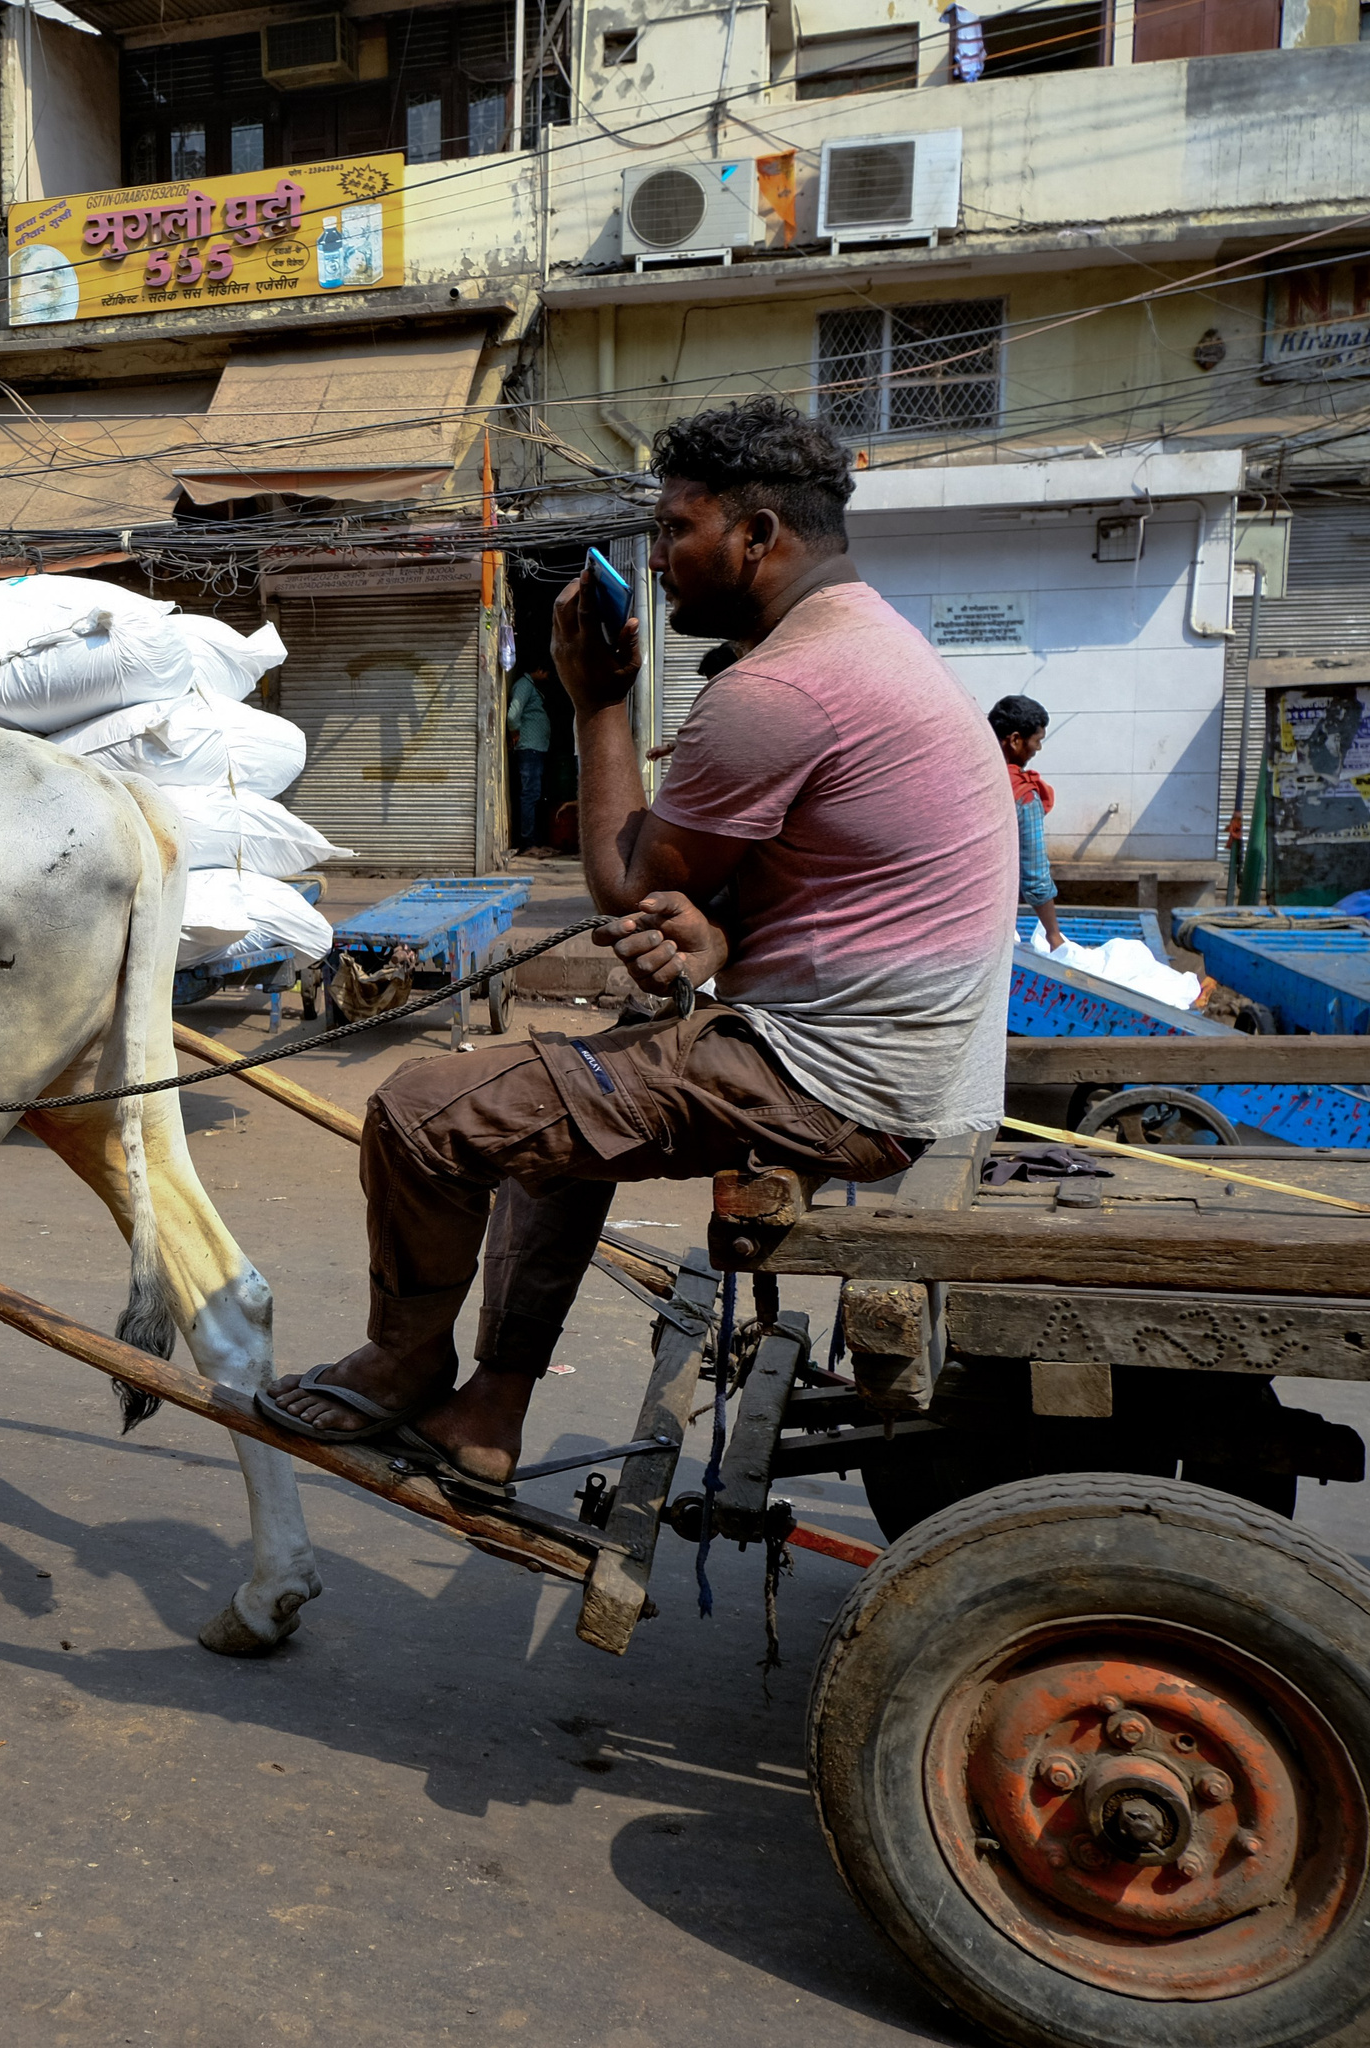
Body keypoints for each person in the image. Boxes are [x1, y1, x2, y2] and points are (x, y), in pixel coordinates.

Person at [256, 396, 1017, 1484]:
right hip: (892, 1058)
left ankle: (403, 1361)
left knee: (420, 1115)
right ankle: (490, 1408)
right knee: (552, 1107)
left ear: (756, 535)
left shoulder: (779, 687)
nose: (656, 558)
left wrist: (595, 701)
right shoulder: (873, 643)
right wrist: (707, 937)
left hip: (832, 1078)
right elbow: (780, 886)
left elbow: (623, 882)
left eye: (675, 530)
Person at [991, 694, 1062, 951]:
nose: (1038, 749)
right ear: (1015, 740)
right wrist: (1053, 935)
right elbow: (1035, 876)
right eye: (1037, 741)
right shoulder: (1024, 795)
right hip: (987, 918)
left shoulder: (963, 776)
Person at [508, 664, 554, 852]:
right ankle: (528, 843)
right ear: (540, 669)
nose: (548, 677)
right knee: (530, 794)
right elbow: (512, 716)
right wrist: (515, 732)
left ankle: (533, 840)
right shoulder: (524, 685)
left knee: (533, 794)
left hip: (535, 748)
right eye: (547, 672)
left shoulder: (529, 686)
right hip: (529, 748)